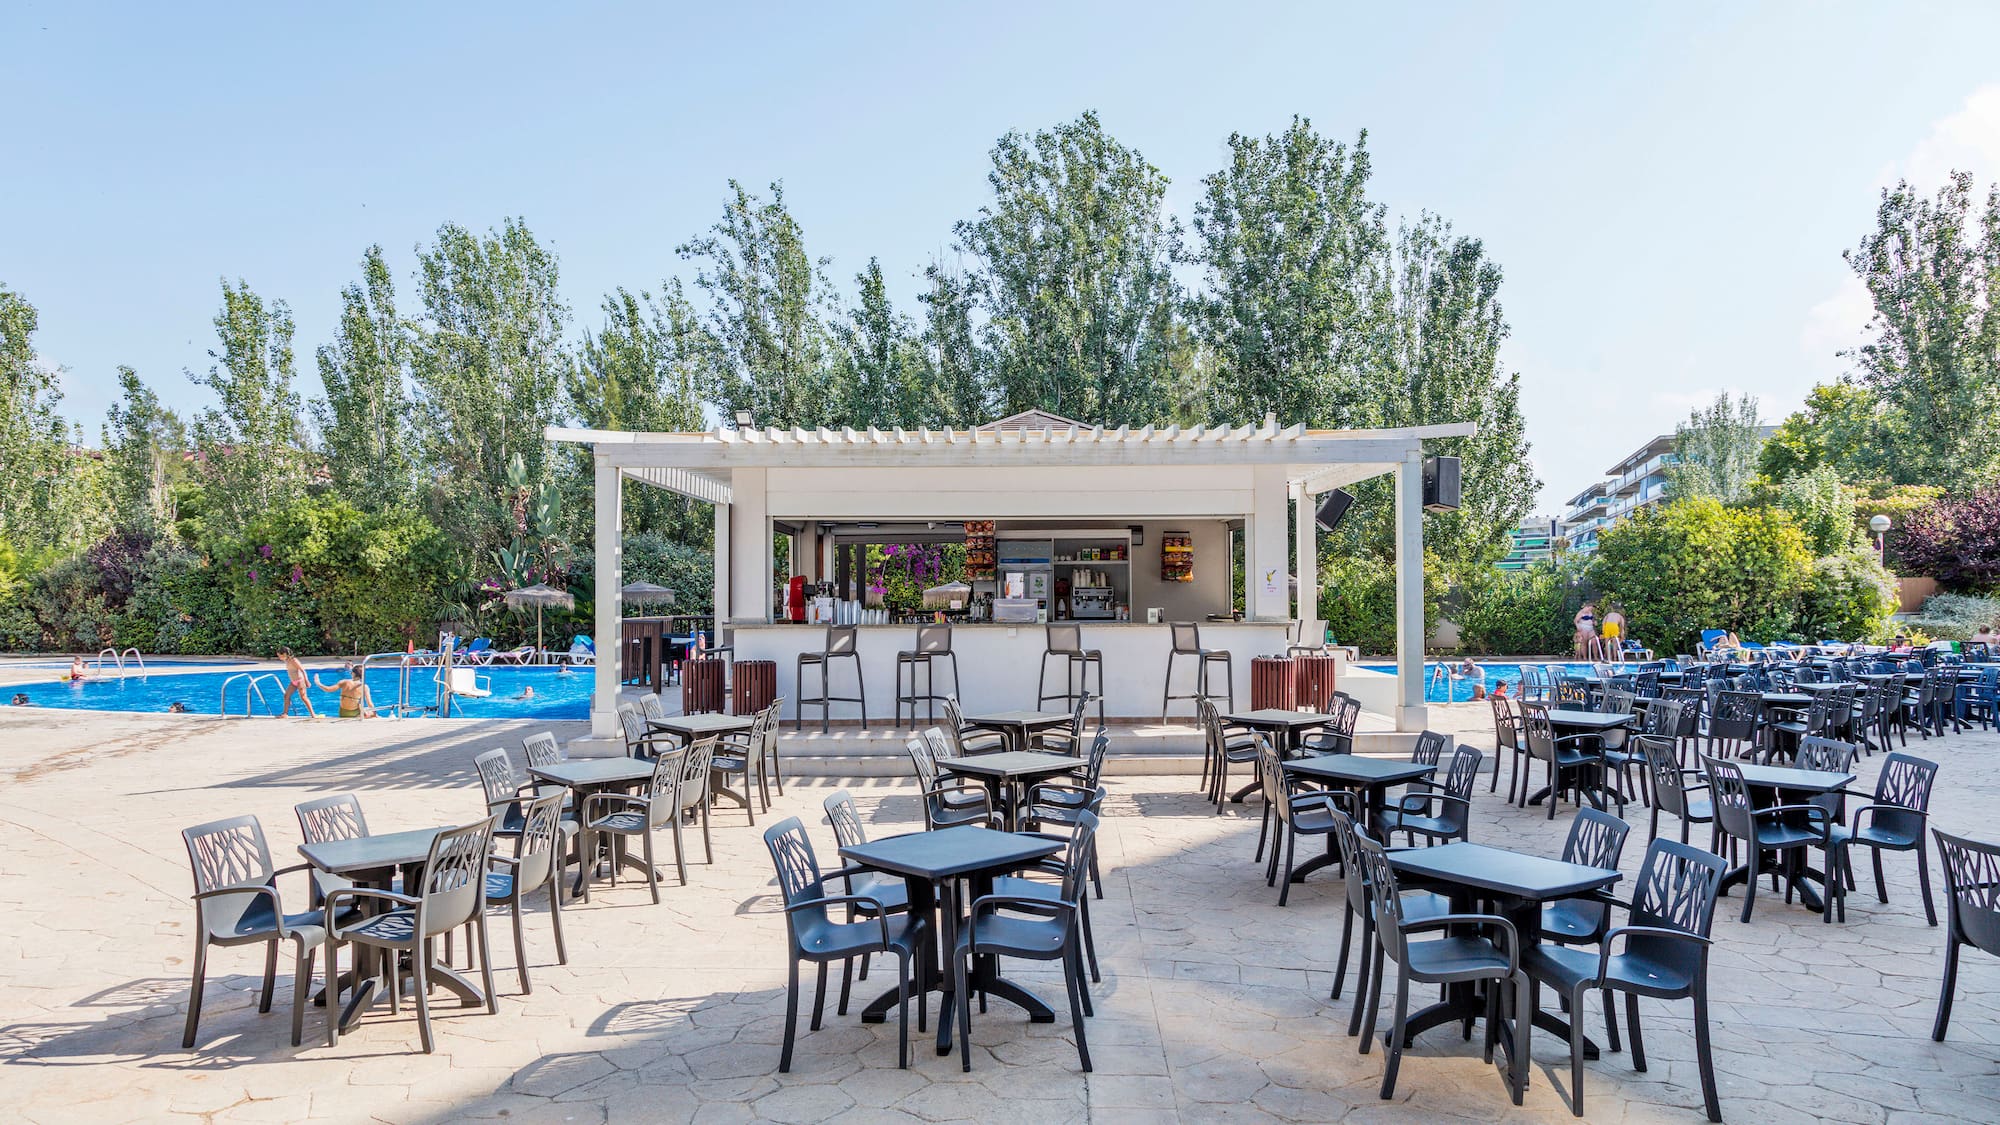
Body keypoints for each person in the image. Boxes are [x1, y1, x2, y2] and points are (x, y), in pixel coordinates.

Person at [313, 663, 377, 719]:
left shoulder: (344, 682)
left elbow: (328, 689)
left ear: (353, 673)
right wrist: (374, 714)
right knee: (367, 709)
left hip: (343, 713)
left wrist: (318, 683)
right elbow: (370, 703)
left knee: (361, 705)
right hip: (356, 713)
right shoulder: (364, 687)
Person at [277, 648, 317, 717]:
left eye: (279, 655)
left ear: (284, 654)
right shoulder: (287, 660)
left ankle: (313, 714)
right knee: (286, 696)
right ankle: (285, 713)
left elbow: (303, 670)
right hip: (293, 682)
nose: (278, 657)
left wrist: (306, 681)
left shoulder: (294, 660)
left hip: (300, 681)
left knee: (303, 697)